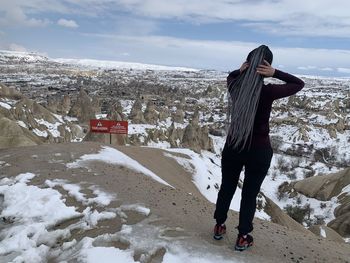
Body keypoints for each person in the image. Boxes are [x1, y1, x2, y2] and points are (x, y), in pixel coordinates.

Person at [213, 45, 305, 251]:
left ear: (247, 64)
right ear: (266, 67)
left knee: (227, 187)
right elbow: (298, 83)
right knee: (249, 194)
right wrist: (275, 73)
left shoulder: (234, 86)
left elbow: (231, 75)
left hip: (233, 147)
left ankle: (219, 226)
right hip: (259, 152)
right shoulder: (268, 91)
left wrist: (240, 71)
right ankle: (243, 236)